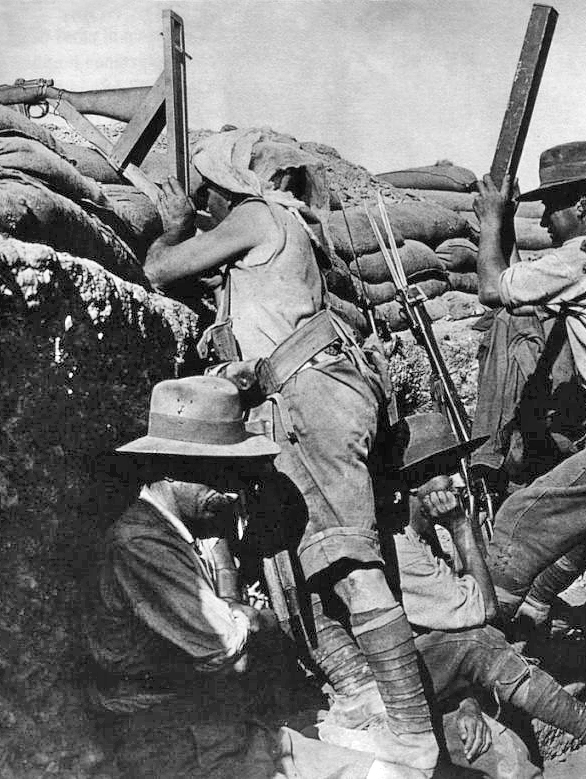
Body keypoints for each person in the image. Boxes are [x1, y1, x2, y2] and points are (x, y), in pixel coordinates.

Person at [142, 130, 438, 774]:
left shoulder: (255, 216)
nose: (207, 208)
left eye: (206, 197)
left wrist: (172, 228)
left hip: (309, 399)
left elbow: (160, 270)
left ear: (226, 190)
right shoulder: (287, 224)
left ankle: (414, 733)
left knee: (346, 558)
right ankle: (360, 695)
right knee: (294, 555)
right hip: (305, 397)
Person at [85, 375, 417, 779]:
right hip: (172, 743)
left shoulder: (177, 532)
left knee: (389, 773)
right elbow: (222, 643)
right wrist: (256, 617)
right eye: (219, 475)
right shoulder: (141, 545)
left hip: (214, 726)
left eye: (236, 476)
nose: (231, 492)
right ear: (168, 469)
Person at [382, 413, 586, 769]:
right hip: (399, 687)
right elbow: (482, 615)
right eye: (445, 470)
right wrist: (459, 526)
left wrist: (467, 700)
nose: (456, 480)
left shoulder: (427, 537)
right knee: (516, 524)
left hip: (435, 673)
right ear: (414, 485)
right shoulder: (402, 550)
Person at [473, 142, 586, 635]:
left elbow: (494, 290)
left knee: (519, 519)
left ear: (585, 205)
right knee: (582, 523)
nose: (548, 224)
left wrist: (492, 222)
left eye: (555, 208)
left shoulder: (583, 255)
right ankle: (534, 610)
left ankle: (490, 635)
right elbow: (523, 290)